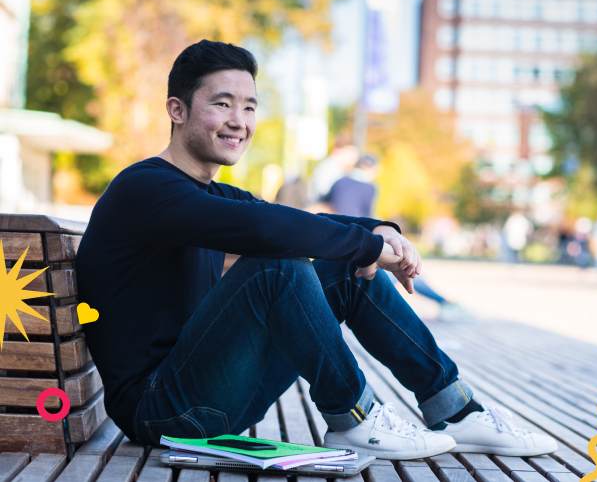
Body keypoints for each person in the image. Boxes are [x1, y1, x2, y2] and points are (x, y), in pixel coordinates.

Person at [76, 40, 556, 460]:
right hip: (162, 411)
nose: (239, 122)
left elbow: (298, 220)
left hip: (207, 392)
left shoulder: (205, 192)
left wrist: (380, 231)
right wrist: (367, 245)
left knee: (343, 271)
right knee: (277, 267)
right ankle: (356, 418)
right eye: (222, 104)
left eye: (248, 107)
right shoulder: (145, 189)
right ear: (177, 110)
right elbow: (267, 228)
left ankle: (453, 409)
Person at [324, 154, 465, 318]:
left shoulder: (339, 182)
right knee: (402, 267)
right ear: (370, 168)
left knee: (392, 273)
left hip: (340, 235)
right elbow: (369, 216)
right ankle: (442, 302)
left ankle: (441, 302)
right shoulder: (370, 187)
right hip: (362, 236)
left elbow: (327, 204)